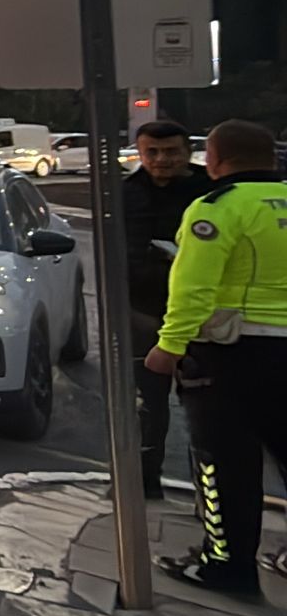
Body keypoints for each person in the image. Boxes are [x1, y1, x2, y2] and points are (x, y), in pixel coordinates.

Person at [145, 119, 287, 596]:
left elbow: (193, 287)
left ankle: (225, 566)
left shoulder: (217, 208)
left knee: (224, 464)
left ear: (214, 158)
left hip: (231, 354)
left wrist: (170, 346)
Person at [122, 120, 212, 498]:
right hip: (141, 314)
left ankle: (211, 497)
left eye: (171, 151)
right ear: (140, 153)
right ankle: (145, 485)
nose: (161, 160)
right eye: (152, 152)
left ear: (187, 152)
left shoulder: (211, 191)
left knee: (207, 415)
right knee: (147, 407)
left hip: (203, 319)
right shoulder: (125, 193)